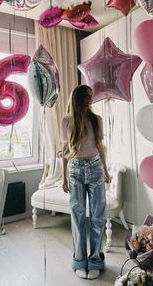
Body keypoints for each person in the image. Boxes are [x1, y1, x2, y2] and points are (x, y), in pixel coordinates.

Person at [61, 84, 111, 280]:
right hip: (75, 171)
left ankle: (96, 260)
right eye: (87, 96)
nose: (91, 99)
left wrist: (106, 171)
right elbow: (65, 152)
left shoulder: (96, 119)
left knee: (98, 216)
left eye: (91, 96)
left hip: (95, 168)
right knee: (78, 217)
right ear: (78, 98)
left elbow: (100, 147)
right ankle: (79, 261)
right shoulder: (67, 121)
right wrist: (64, 178)